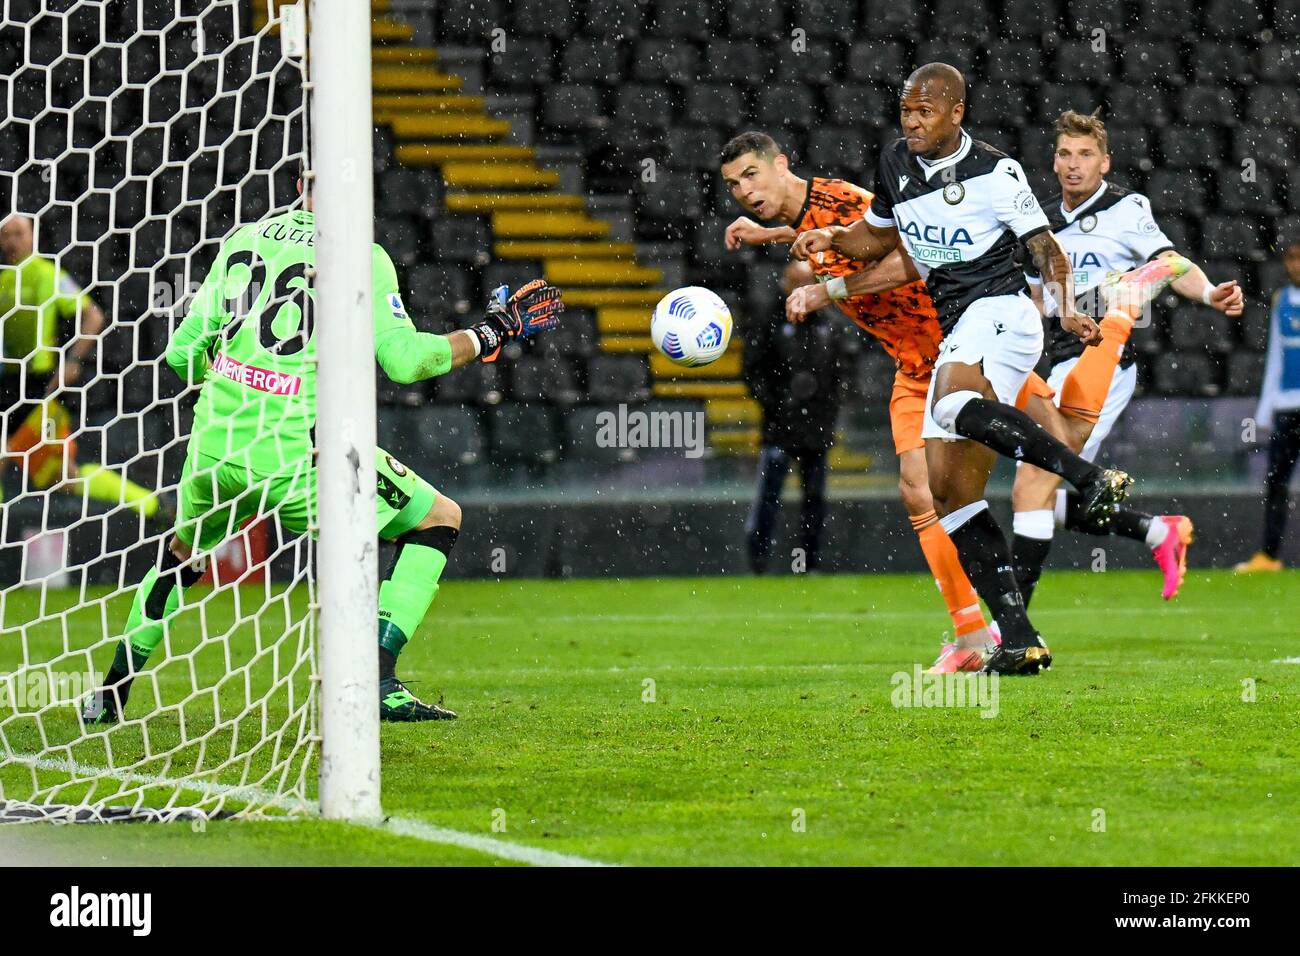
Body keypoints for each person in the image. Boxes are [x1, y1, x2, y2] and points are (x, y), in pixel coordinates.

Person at [82, 184, 564, 725]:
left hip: (215, 443)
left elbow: (180, 355)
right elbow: (406, 363)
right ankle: (378, 679)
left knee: (179, 560)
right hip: (299, 455)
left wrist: (239, 383)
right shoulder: (362, 256)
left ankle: (110, 694)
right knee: (438, 518)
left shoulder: (246, 236)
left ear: (298, 184)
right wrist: (490, 332)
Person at [793, 63, 1135, 675]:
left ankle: (1087, 477)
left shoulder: (996, 171)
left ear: (957, 112)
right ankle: (1021, 638)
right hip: (960, 327)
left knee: (951, 404)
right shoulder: (895, 164)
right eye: (906, 110)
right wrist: (829, 241)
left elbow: (1044, 248)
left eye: (926, 111)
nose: (913, 122)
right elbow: (878, 242)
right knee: (949, 493)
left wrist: (1068, 310)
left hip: (1003, 311)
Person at [720, 130, 1007, 664]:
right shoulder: (807, 217)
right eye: (734, 185)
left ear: (782, 164)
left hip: (956, 346)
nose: (744, 190)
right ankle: (972, 635)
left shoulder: (845, 200)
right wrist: (770, 236)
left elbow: (919, 254)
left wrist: (829, 290)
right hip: (915, 360)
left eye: (752, 175)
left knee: (1033, 461)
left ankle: (1016, 621)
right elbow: (816, 235)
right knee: (920, 491)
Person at [1011, 109, 1243, 604]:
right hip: (1058, 356)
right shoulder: (1039, 221)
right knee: (1037, 495)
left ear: (1105, 163)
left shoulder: (1126, 208)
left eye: (1086, 155)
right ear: (1053, 161)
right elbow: (1035, 301)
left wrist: (1207, 295)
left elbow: (1169, 263)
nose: (1075, 165)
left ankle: (1008, 627)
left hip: (1105, 355)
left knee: (1037, 482)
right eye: (1066, 154)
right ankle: (1158, 532)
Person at [0, 214, 161, 519]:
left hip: (39, 389)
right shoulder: (2, 280)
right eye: (6, 235)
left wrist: (73, 361)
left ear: (33, 236)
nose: (11, 241)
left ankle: (151, 506)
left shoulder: (48, 275)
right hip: (6, 384)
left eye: (18, 233)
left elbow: (94, 315)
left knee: (63, 478)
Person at [741, 260, 852, 573]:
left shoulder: (829, 323)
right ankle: (758, 562)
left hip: (816, 428)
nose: (802, 289)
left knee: (814, 499)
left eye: (808, 282)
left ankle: (807, 563)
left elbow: (842, 374)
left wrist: (827, 411)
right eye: (796, 282)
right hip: (779, 426)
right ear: (784, 284)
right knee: (768, 497)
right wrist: (776, 405)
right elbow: (752, 370)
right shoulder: (769, 321)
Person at [1236, 240, 1300, 572]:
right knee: (1277, 482)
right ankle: (1269, 555)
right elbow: (1276, 356)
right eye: (1291, 258)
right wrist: (1265, 410)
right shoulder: (1282, 301)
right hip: (1288, 408)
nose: (1296, 265)